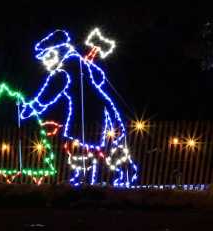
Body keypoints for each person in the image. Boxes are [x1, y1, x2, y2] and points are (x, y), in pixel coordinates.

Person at [20, 29, 137, 187]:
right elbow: (99, 77)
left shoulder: (66, 69)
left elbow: (49, 92)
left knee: (91, 144)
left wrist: (31, 108)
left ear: (58, 51)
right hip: (96, 108)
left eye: (47, 56)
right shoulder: (79, 63)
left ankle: (117, 173)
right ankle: (88, 176)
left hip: (90, 112)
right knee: (93, 144)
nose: (45, 62)